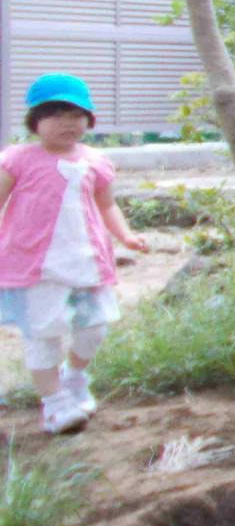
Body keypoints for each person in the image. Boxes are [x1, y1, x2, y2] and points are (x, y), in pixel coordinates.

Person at [0, 74, 147, 434]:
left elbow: (107, 204)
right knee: (43, 334)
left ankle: (74, 376)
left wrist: (125, 235)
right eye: (55, 114)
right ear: (35, 121)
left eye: (76, 114)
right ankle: (54, 404)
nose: (67, 123)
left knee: (93, 329)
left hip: (87, 264)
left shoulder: (95, 162)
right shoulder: (16, 160)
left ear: (89, 120)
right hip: (35, 267)